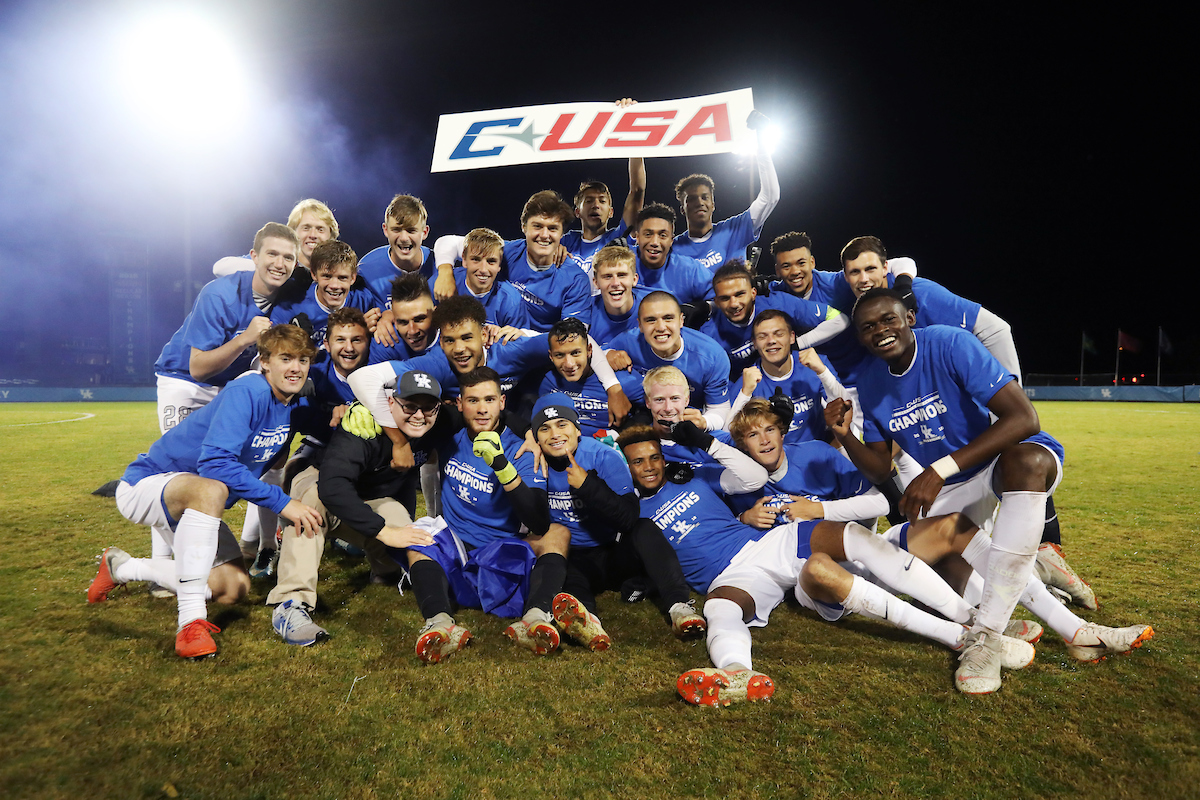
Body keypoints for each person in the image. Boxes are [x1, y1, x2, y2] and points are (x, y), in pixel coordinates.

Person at [617, 425, 1032, 707]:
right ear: (625, 466)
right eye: (638, 461)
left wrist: (706, 442)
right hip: (730, 577)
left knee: (853, 535)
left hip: (765, 544)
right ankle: (737, 674)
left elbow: (750, 478)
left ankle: (968, 624)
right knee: (719, 610)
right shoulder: (630, 512)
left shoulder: (694, 478)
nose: (650, 466)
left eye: (653, 457)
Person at [834, 287, 1099, 693]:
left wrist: (938, 469)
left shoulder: (951, 343)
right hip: (955, 484)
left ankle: (995, 635)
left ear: (909, 317)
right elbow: (878, 465)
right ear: (860, 338)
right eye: (868, 327)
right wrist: (844, 435)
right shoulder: (869, 381)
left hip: (999, 462)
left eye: (888, 319)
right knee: (938, 582)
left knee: (1027, 462)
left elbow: (1024, 418)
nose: (880, 331)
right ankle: (1047, 587)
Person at [87, 325, 324, 659]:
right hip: (148, 485)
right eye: (286, 358)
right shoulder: (249, 389)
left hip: (196, 505)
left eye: (303, 359)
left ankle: (122, 568)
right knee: (212, 486)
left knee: (232, 589)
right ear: (265, 362)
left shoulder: (290, 404)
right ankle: (191, 624)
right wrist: (285, 503)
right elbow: (214, 464)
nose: (296, 367)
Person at [385, 368, 567, 660]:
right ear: (459, 404)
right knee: (419, 534)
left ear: (502, 402)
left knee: (558, 533)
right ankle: (440, 624)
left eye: (489, 399)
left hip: (501, 552)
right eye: (473, 400)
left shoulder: (523, 447)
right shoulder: (448, 434)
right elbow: (400, 410)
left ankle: (535, 620)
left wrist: (501, 465)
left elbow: (538, 521)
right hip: (455, 547)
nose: (482, 408)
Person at [265, 371, 442, 645]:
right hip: (323, 484)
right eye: (410, 406)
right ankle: (291, 604)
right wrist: (382, 532)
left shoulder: (438, 424)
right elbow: (332, 488)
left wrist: (530, 432)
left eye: (428, 407)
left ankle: (386, 572)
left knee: (398, 519)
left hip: (369, 496)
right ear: (391, 403)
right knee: (311, 505)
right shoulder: (362, 425)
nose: (419, 414)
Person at [531, 394, 705, 648]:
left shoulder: (603, 456)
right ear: (536, 437)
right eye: (544, 429)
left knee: (644, 527)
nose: (555, 434)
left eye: (562, 425)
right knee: (568, 576)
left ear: (577, 429)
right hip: (573, 555)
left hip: (612, 551)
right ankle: (588, 623)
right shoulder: (533, 460)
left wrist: (588, 486)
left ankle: (678, 607)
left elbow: (627, 518)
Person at [432, 191, 592, 331]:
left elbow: (574, 335)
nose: (544, 235)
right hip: (496, 340)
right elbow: (448, 242)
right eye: (537, 226)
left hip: (543, 351)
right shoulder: (505, 252)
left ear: (562, 233)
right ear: (523, 227)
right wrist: (445, 273)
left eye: (552, 228)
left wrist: (525, 336)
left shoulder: (575, 280)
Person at [670, 111, 779, 272]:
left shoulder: (734, 229)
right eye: (691, 199)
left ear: (713, 204)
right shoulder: (672, 248)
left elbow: (771, 197)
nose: (699, 202)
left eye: (705, 197)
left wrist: (761, 140)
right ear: (682, 209)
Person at [606, 292, 731, 430]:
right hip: (644, 415)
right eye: (651, 320)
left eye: (668, 318)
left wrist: (704, 422)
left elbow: (720, 410)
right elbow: (589, 351)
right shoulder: (628, 341)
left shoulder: (712, 356)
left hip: (689, 421)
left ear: (681, 320)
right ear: (640, 325)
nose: (660, 327)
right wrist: (607, 355)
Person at [725, 309, 846, 445]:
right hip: (772, 459)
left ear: (792, 337)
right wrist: (745, 394)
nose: (771, 341)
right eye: (763, 336)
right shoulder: (748, 381)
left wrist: (822, 372)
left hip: (816, 450)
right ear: (754, 343)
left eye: (778, 334)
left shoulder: (815, 364)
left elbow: (846, 407)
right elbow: (726, 436)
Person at [701, 260, 836, 376]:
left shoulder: (778, 303)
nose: (734, 304)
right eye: (725, 298)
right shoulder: (708, 336)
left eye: (740, 294)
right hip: (748, 393)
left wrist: (800, 343)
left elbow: (838, 318)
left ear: (753, 293)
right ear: (717, 302)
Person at [271, 240, 380, 350]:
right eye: (327, 276)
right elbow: (269, 351)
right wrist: (290, 339)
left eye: (342, 278)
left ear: (353, 278)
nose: (335, 285)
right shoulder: (291, 306)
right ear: (314, 274)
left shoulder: (364, 300)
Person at [212, 198, 338, 279]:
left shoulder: (336, 274)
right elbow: (220, 268)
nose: (313, 235)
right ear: (293, 233)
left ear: (331, 236)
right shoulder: (275, 259)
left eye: (320, 229)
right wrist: (283, 270)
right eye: (306, 228)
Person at [438, 227, 529, 329]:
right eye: (476, 259)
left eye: (491, 261)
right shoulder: (443, 282)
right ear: (464, 259)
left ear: (499, 265)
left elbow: (520, 342)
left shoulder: (511, 301)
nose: (483, 269)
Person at [538, 318, 613, 439]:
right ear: (550, 356)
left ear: (589, 350)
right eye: (559, 355)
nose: (569, 364)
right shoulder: (548, 383)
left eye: (575, 353)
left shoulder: (621, 382)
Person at [358, 194, 436, 307]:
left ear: (424, 232)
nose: (404, 238)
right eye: (396, 230)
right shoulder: (365, 270)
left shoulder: (440, 265)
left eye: (411, 231)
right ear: (385, 230)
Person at [630, 204, 714, 306]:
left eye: (663, 235)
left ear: (671, 240)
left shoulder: (689, 270)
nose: (655, 242)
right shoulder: (620, 262)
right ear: (637, 237)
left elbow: (722, 296)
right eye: (648, 234)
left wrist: (705, 308)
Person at [587, 243, 648, 347]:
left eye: (621, 275)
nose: (615, 283)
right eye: (607, 276)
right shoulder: (585, 311)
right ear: (596, 282)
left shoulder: (657, 304)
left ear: (634, 279)